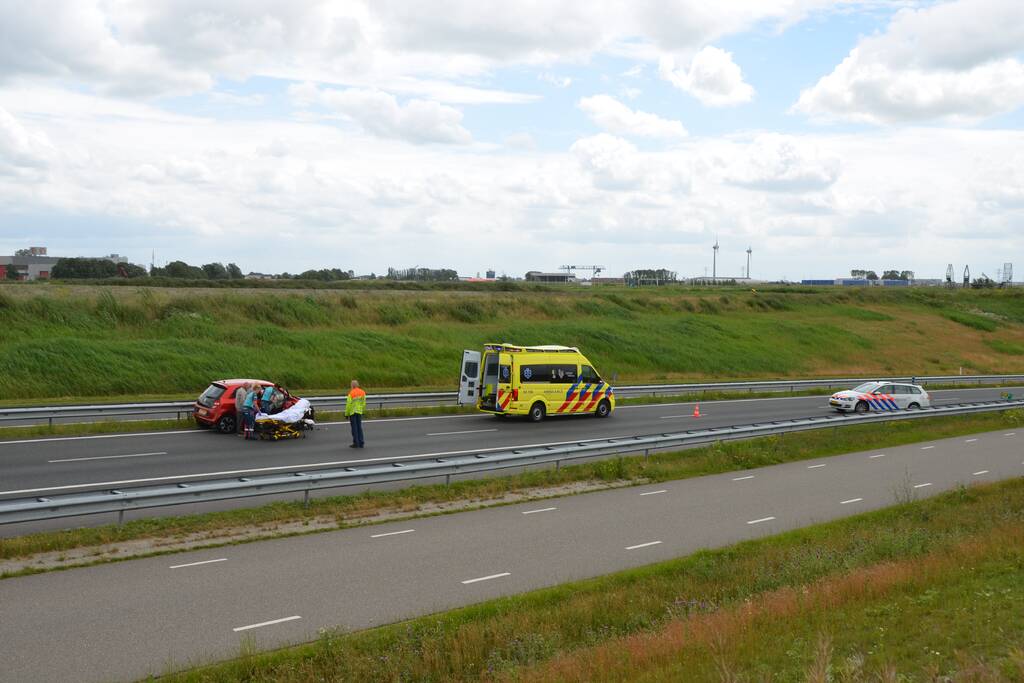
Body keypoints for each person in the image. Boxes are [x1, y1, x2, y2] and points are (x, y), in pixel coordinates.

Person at [345, 379, 366, 448]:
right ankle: (361, 442)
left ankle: (356, 443)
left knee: (354, 428)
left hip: (352, 412)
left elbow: (348, 405)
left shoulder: (351, 393)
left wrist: (346, 414)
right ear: (358, 385)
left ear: (352, 385)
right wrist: (363, 411)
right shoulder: (362, 392)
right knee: (359, 427)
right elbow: (363, 403)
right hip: (359, 411)